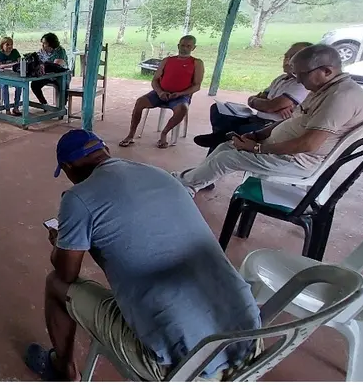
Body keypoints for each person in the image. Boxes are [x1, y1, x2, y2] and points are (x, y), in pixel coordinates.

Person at [24, 129, 261, 381]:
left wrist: (60, 243)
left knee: (56, 285)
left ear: (68, 167)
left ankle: (63, 370)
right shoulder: (158, 174)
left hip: (183, 367)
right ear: (105, 151)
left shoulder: (78, 198)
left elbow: (66, 273)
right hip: (250, 341)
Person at [177, 44, 363, 197]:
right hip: (279, 149)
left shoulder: (340, 97)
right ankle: (188, 183)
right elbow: (291, 121)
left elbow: (309, 144)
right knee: (225, 147)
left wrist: (257, 148)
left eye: (301, 74)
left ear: (327, 71)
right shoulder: (324, 89)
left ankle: (182, 184)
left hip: (297, 160)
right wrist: (257, 135)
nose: (297, 80)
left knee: (227, 158)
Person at [193, 42, 313, 155]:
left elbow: (271, 106)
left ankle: (221, 139)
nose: (287, 60)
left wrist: (269, 105)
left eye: (292, 57)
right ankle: (220, 137)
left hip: (271, 125)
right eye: (286, 56)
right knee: (218, 110)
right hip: (257, 117)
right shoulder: (281, 79)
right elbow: (256, 100)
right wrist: (261, 102)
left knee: (237, 133)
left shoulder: (301, 84)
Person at [119, 35, 205, 149]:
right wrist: (160, 92)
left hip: (180, 96)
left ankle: (164, 134)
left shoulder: (196, 62)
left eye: (188, 46)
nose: (185, 48)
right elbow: (155, 80)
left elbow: (197, 85)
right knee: (140, 102)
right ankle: (131, 135)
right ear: (178, 46)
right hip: (160, 93)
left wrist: (180, 93)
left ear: (193, 48)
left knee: (183, 108)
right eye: (183, 45)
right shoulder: (167, 60)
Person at [30, 33, 68, 107]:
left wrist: (43, 65)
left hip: (60, 76)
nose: (42, 45)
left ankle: (61, 108)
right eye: (42, 43)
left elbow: (56, 66)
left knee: (63, 86)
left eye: (45, 43)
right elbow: (36, 60)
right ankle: (44, 104)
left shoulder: (60, 51)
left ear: (51, 43)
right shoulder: (42, 51)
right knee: (34, 84)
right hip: (46, 75)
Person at [0, 37, 23, 116]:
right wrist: (13, 64)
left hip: (13, 76)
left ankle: (16, 107)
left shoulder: (15, 52)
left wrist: (18, 63)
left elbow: (20, 61)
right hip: (0, 77)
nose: (10, 46)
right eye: (7, 44)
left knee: (19, 86)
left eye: (11, 44)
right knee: (4, 86)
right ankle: (7, 108)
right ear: (2, 45)